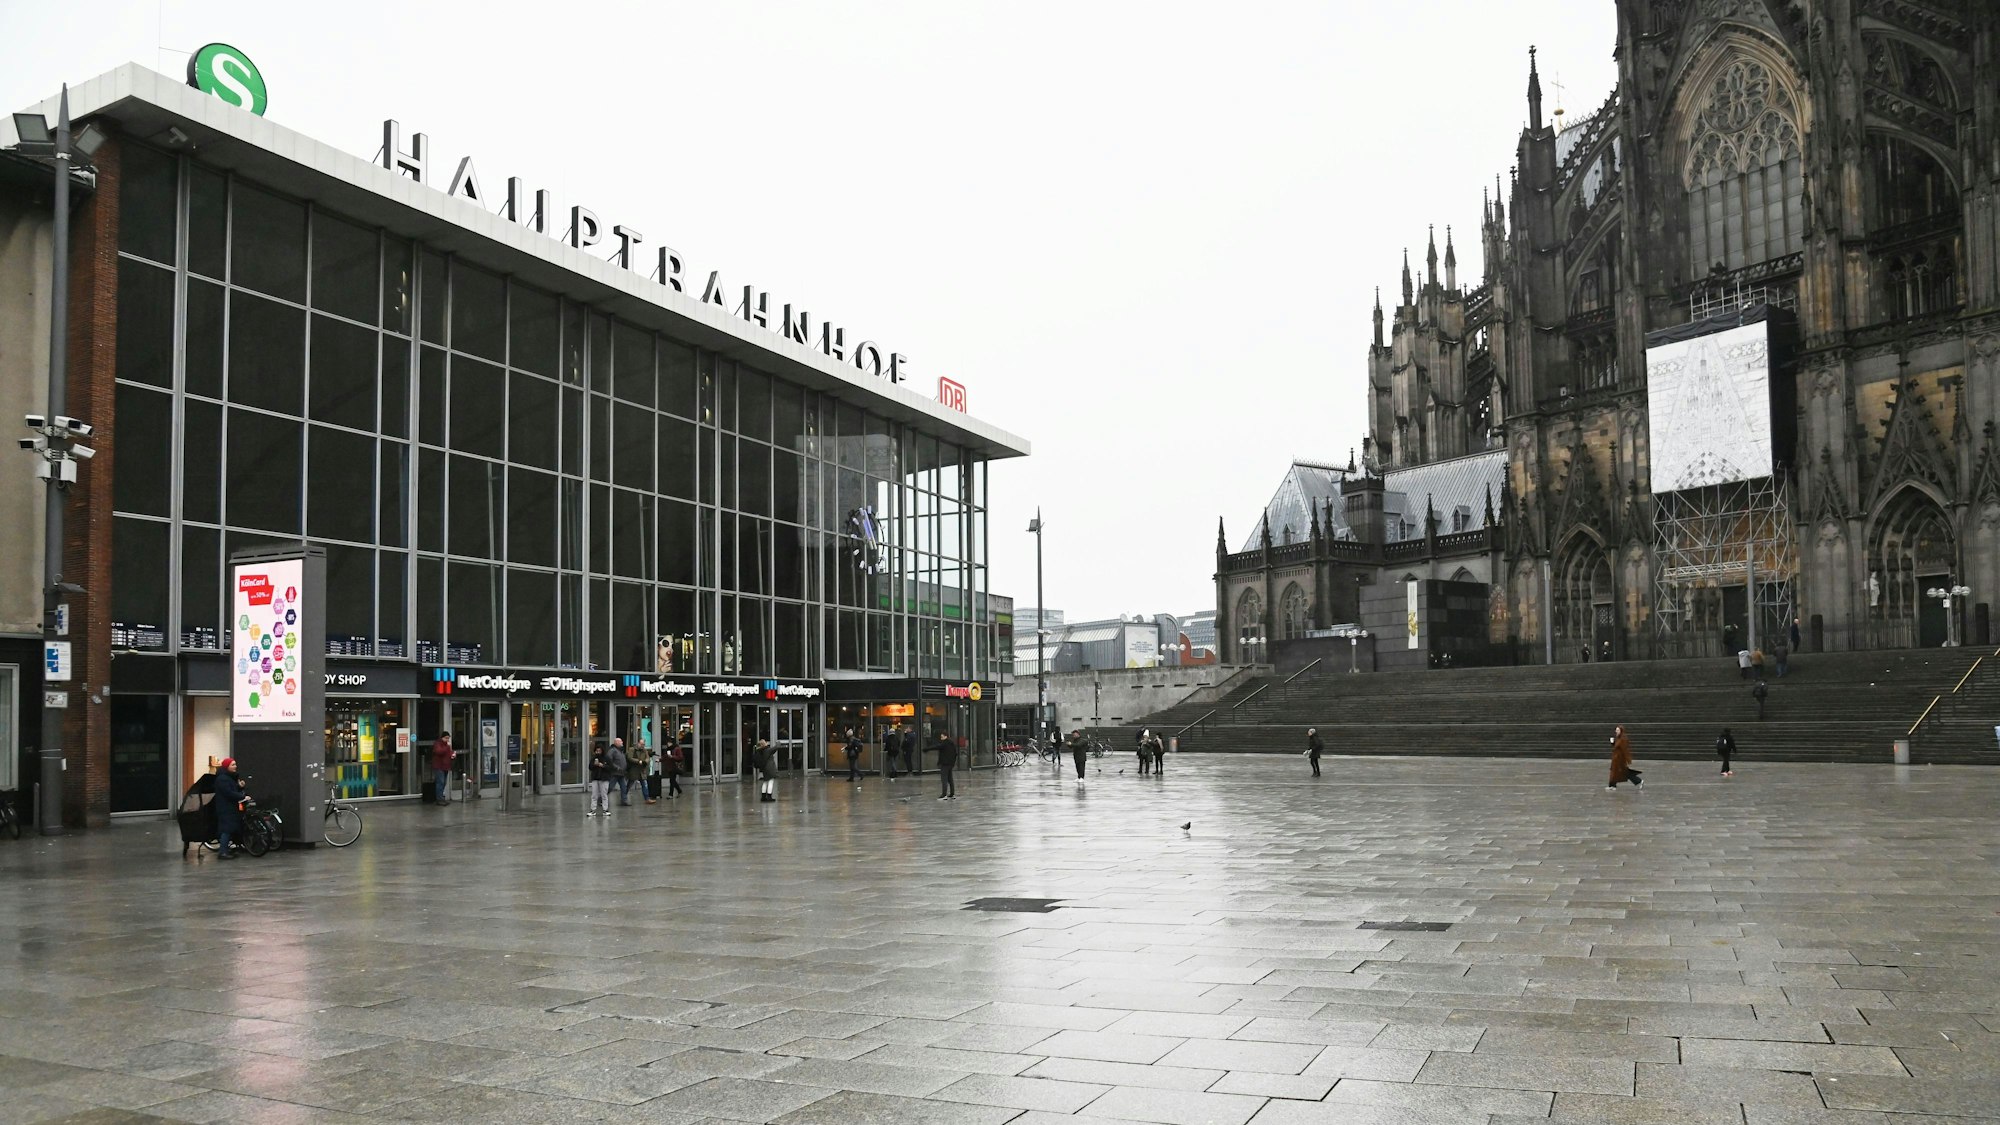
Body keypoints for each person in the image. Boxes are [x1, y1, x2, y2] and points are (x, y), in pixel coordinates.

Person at [213, 757, 246, 859]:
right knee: (226, 830)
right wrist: (242, 796)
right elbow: (228, 793)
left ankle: (226, 850)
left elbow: (232, 790)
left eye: (235, 764)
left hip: (229, 807)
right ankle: (223, 852)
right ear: (227, 766)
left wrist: (239, 787)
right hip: (225, 807)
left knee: (229, 828)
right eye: (233, 765)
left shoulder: (228, 777)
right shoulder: (223, 779)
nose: (235, 766)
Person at [587, 740, 618, 816]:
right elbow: (590, 767)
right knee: (594, 795)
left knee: (604, 794)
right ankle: (593, 810)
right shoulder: (594, 758)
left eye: (599, 750)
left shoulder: (607, 758)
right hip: (595, 778)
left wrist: (603, 766)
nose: (598, 752)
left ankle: (605, 810)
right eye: (597, 750)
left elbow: (611, 768)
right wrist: (594, 765)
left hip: (604, 778)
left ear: (602, 751)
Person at [1607, 725, 1642, 790]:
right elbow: (1617, 747)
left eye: (1618, 730)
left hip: (1620, 759)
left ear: (1621, 731)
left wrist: (1625, 759)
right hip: (1616, 758)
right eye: (1616, 730)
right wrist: (1613, 743)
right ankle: (1612, 785)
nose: (1616, 731)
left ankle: (1638, 781)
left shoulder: (1623, 738)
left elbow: (1623, 749)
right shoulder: (1619, 738)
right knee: (1615, 771)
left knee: (1621, 772)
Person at [430, 731, 455, 805]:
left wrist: (452, 754)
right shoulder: (438, 744)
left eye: (448, 738)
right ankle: (439, 799)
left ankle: (441, 797)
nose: (447, 740)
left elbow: (449, 753)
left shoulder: (447, 745)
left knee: (443, 782)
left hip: (445, 766)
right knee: (440, 782)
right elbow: (439, 751)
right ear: (442, 738)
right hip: (439, 766)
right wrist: (447, 748)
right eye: (446, 738)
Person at [752, 738, 778, 802]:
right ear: (764, 744)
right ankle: (769, 796)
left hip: (764, 768)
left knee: (765, 782)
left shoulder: (759, 751)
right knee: (771, 781)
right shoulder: (767, 750)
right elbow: (776, 747)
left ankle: (763, 796)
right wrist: (778, 742)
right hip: (770, 768)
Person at [935, 730, 958, 800]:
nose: (941, 738)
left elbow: (939, 750)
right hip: (950, 764)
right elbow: (955, 754)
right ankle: (952, 794)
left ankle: (944, 795)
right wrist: (953, 762)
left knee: (944, 779)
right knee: (950, 779)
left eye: (942, 737)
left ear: (946, 736)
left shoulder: (944, 744)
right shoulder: (952, 744)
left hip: (945, 764)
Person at [663, 732, 685, 798]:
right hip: (670, 766)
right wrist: (660, 759)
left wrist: (672, 757)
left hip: (674, 766)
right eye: (668, 742)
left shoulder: (677, 748)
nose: (668, 744)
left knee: (672, 780)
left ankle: (671, 794)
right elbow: (665, 757)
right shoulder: (668, 749)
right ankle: (679, 791)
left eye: (669, 742)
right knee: (672, 780)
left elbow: (680, 757)